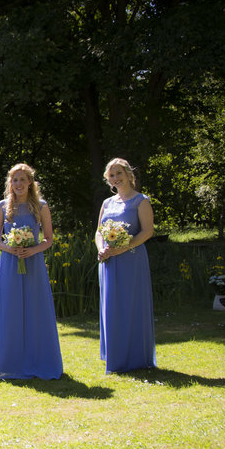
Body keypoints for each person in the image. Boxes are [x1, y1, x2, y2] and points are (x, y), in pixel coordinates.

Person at [0, 164, 62, 380]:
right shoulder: (2, 206)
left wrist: (32, 250)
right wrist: (8, 248)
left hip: (34, 263)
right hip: (10, 263)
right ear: (10, 184)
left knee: (35, 309)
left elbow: (48, 239)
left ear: (30, 182)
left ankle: (39, 360)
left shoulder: (41, 206)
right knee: (11, 310)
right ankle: (10, 363)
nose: (18, 184)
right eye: (14, 180)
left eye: (22, 180)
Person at [96, 157, 156, 373]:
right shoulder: (107, 203)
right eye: (111, 175)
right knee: (111, 306)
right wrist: (101, 248)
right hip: (109, 261)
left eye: (119, 173)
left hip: (132, 259)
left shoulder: (141, 200)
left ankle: (135, 357)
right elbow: (98, 231)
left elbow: (147, 231)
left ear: (129, 174)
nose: (115, 178)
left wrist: (124, 247)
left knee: (130, 305)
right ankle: (115, 354)